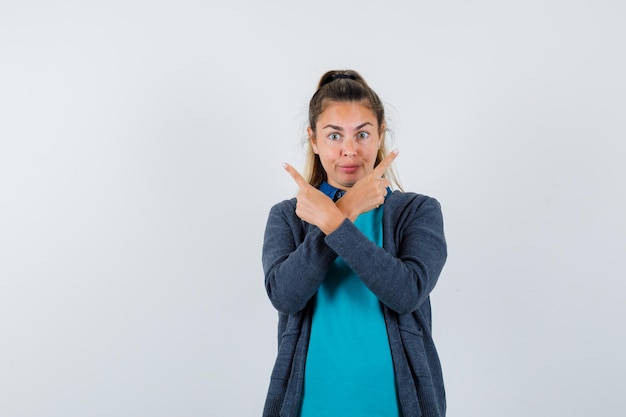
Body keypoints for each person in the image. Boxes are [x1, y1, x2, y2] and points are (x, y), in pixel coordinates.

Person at [261, 70, 447, 417]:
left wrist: (334, 220)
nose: (349, 150)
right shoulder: (288, 216)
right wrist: (347, 209)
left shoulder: (418, 211)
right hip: (308, 407)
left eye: (362, 133)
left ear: (380, 136)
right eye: (334, 136)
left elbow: (406, 293)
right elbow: (284, 295)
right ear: (313, 140)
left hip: (395, 407)